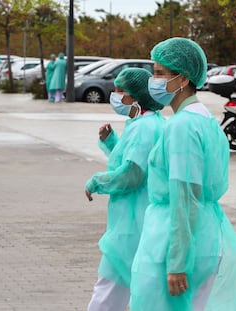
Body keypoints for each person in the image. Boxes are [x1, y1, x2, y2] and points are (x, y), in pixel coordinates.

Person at [130, 37, 236, 310]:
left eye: (160, 73)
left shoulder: (183, 127)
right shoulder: (206, 121)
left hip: (178, 243)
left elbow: (185, 197)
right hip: (204, 234)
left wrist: (177, 263)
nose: (154, 79)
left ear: (182, 79)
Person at [85, 68, 165, 311]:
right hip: (134, 219)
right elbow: (132, 161)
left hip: (133, 223)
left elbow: (132, 175)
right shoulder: (142, 122)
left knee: (107, 292)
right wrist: (112, 143)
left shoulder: (144, 127)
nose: (115, 95)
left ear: (136, 96)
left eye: (121, 91)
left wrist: (98, 182)